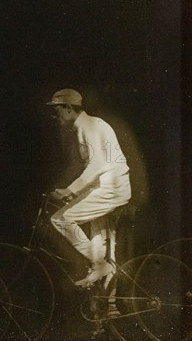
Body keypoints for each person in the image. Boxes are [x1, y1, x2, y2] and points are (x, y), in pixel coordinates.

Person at [46, 88, 131, 287]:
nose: (54, 115)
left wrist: (71, 191)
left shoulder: (88, 126)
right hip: (107, 187)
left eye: (56, 109)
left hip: (112, 188)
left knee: (60, 219)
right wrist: (79, 193)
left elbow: (99, 164)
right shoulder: (89, 125)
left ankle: (100, 265)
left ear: (68, 108)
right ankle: (103, 281)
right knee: (97, 243)